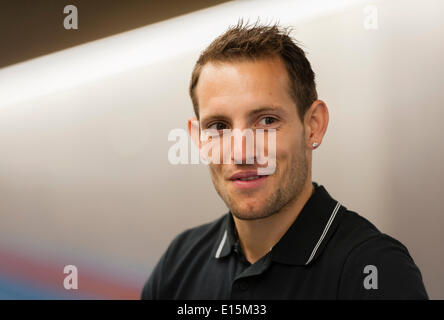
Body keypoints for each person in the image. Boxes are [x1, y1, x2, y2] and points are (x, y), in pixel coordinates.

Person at [141, 21, 428, 299]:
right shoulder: (178, 266)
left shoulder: (374, 270)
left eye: (266, 121)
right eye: (219, 127)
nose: (241, 153)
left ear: (313, 125)